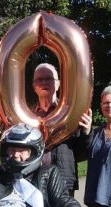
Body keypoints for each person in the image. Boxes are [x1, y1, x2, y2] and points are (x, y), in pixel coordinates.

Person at [32, 63, 93, 196]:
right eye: (39, 79)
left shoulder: (71, 115)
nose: (44, 82)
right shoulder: (27, 115)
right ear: (34, 86)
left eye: (49, 78)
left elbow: (82, 154)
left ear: (58, 84)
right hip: (31, 181)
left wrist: (86, 132)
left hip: (63, 182)